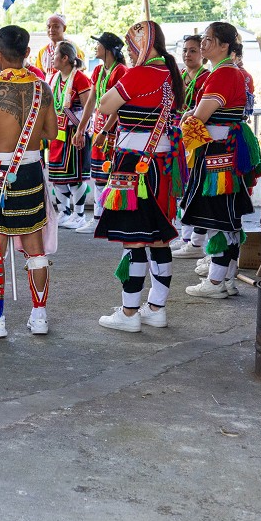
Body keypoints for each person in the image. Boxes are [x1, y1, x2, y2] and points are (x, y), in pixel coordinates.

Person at [93, 21, 186, 333]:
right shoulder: (169, 75)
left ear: (143, 46)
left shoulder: (141, 74)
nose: (129, 54)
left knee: (134, 242)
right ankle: (156, 308)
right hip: (161, 164)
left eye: (132, 47)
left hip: (135, 166)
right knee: (158, 238)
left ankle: (130, 312)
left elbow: (105, 105)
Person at [0, 25, 58, 337]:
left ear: (0, 55)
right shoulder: (43, 89)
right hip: (31, 170)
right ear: (27, 54)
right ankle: (40, 316)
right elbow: (51, 134)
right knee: (35, 246)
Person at [179, 21, 261, 301]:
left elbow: (199, 117)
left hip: (218, 155)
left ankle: (215, 282)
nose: (203, 44)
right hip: (225, 151)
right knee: (228, 219)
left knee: (218, 219)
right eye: (203, 39)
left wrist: (188, 117)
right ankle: (226, 279)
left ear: (225, 45)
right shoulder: (228, 72)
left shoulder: (223, 74)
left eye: (209, 39)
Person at [79, 32, 128, 235]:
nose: (96, 47)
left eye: (99, 44)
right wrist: (82, 128)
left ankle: (112, 219)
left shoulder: (121, 71)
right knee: (98, 175)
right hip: (99, 126)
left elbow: (119, 106)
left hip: (113, 129)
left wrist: (105, 131)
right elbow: (91, 101)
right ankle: (99, 217)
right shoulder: (98, 70)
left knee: (113, 173)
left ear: (108, 49)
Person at [47, 41, 94, 230]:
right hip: (58, 133)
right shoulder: (54, 78)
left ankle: (79, 214)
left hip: (75, 131)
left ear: (65, 58)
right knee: (58, 176)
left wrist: (81, 131)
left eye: (55, 54)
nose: (52, 57)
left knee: (75, 177)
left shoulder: (80, 79)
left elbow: (89, 108)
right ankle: (64, 212)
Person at [171, 34, 211, 259]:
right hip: (180, 135)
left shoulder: (207, 77)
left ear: (203, 54)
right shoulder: (181, 76)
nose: (188, 54)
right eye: (185, 50)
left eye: (193, 50)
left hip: (198, 138)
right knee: (183, 187)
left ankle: (196, 241)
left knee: (195, 188)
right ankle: (186, 237)